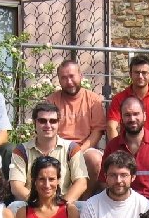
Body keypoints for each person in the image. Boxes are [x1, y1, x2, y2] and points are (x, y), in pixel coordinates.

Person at [98, 96, 149, 209]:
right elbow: (104, 182)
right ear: (121, 118)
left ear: (144, 116)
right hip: (122, 204)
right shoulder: (113, 145)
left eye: (136, 114)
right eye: (127, 115)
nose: (132, 119)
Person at [46, 59, 107, 198]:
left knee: (95, 159)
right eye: (64, 78)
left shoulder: (93, 99)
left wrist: (79, 150)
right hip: (58, 147)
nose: (69, 81)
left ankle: (84, 201)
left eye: (72, 76)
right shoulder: (52, 101)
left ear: (80, 76)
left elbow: (97, 131)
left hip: (84, 148)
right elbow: (48, 130)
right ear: (59, 80)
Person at [8, 102, 88, 204]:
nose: (48, 125)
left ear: (59, 123)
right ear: (34, 123)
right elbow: (16, 186)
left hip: (63, 204)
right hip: (31, 204)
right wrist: (40, 205)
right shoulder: (21, 151)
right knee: (14, 206)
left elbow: (81, 183)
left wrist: (61, 205)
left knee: (83, 207)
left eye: (53, 121)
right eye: (42, 121)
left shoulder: (72, 148)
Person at [106, 54, 149, 149]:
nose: (140, 76)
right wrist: (117, 150)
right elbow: (111, 126)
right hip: (128, 148)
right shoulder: (119, 98)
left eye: (144, 73)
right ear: (130, 74)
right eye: (137, 72)